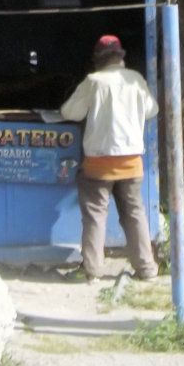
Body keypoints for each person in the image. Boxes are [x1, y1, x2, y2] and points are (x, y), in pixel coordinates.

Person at [59, 35, 159, 281]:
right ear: (120, 57)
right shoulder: (135, 80)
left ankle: (92, 271)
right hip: (132, 163)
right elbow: (152, 111)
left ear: (98, 60)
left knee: (95, 216)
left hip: (99, 165)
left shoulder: (94, 81)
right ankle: (146, 269)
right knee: (135, 215)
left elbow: (69, 112)